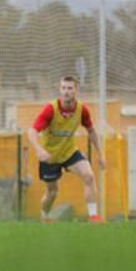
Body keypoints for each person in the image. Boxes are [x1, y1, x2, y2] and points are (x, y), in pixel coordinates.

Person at [27, 74, 105, 223]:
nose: (66, 91)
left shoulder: (82, 110)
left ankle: (94, 216)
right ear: (59, 89)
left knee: (88, 176)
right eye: (63, 88)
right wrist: (39, 150)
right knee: (52, 192)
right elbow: (31, 131)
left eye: (69, 88)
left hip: (69, 152)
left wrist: (100, 155)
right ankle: (45, 214)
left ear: (76, 90)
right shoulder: (50, 109)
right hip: (50, 156)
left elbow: (91, 131)